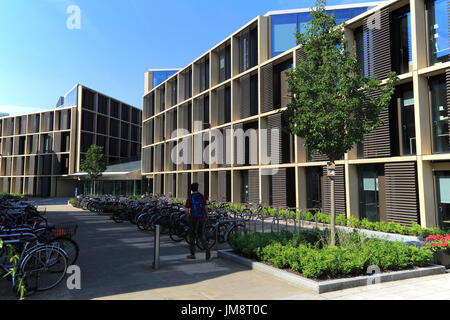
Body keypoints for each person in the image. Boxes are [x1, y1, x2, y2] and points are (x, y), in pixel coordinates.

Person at [184, 182, 210, 261]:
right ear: (197, 188)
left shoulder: (190, 197)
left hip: (193, 219)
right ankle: (207, 248)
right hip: (202, 218)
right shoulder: (202, 196)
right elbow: (205, 207)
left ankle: (192, 254)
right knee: (201, 235)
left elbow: (186, 210)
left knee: (192, 236)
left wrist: (188, 218)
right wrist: (206, 216)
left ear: (191, 189)